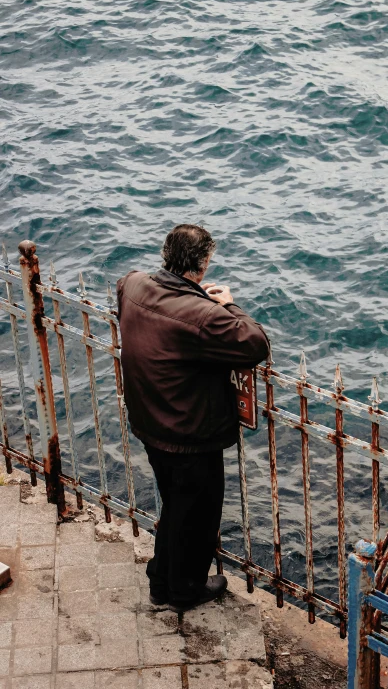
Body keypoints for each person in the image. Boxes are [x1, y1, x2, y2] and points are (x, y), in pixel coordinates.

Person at [117, 224, 270, 613]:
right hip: (189, 434)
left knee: (176, 506)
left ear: (167, 255)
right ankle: (185, 591)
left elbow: (129, 294)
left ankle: (160, 582)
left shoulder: (133, 285)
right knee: (197, 515)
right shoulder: (203, 315)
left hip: (149, 421)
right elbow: (255, 343)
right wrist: (228, 304)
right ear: (202, 266)